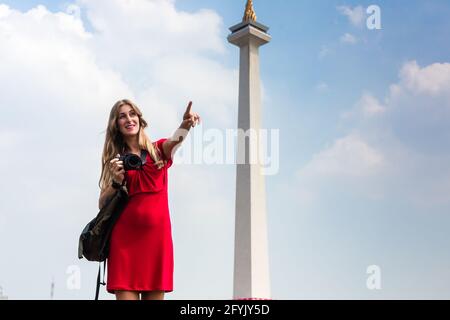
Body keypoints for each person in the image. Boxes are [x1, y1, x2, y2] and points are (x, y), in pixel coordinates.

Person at [98, 98, 201, 300]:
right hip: (124, 244)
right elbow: (102, 204)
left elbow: (175, 141)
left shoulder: (158, 151)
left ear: (139, 119)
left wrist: (185, 125)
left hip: (156, 242)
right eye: (122, 116)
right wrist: (116, 182)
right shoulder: (115, 161)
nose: (129, 119)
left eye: (132, 114)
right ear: (116, 125)